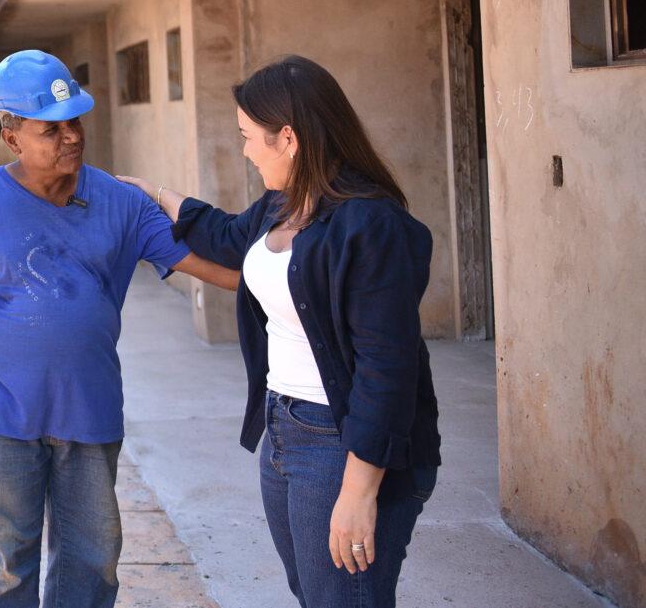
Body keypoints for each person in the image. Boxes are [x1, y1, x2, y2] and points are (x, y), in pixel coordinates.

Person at [0, 50, 234, 608]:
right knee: (7, 565)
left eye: (74, 121)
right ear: (12, 139)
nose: (71, 136)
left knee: (91, 563)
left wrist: (304, 268)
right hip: (3, 421)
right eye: (51, 129)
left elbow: (217, 270)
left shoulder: (122, 203)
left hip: (90, 415)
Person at [120, 54, 440, 608]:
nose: (245, 151)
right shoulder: (282, 203)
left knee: (343, 599)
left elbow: (387, 370)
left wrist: (359, 491)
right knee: (315, 594)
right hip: (283, 427)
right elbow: (226, 237)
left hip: (340, 442)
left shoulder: (371, 225)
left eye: (249, 137)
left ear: (288, 138)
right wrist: (157, 195)